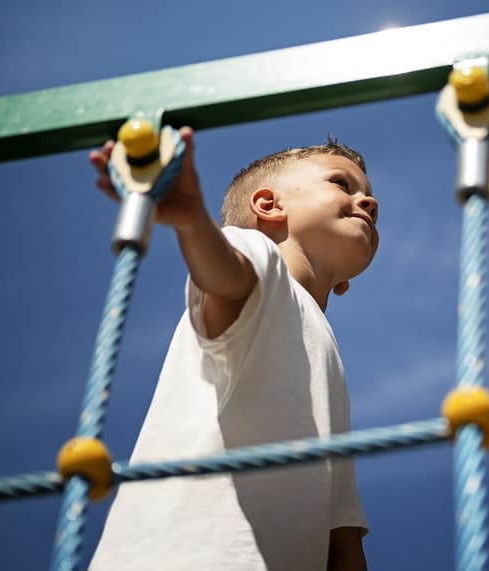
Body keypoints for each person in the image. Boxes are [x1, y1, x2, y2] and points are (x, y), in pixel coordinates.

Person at [86, 127, 378, 570]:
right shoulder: (259, 255)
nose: (369, 203)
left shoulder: (325, 355)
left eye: (369, 196)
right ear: (269, 206)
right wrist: (190, 220)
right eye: (342, 184)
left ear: (345, 284)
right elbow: (227, 277)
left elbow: (341, 535)